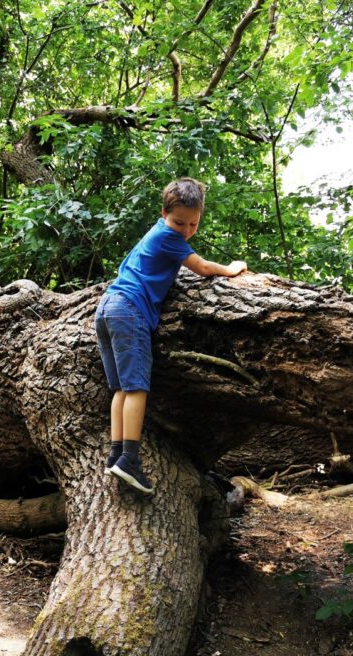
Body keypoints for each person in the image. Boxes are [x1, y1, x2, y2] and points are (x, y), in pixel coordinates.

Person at [95, 178, 247, 494]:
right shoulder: (168, 236)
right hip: (129, 311)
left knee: (121, 389)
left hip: (107, 308)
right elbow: (202, 267)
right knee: (136, 388)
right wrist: (231, 269)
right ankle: (130, 460)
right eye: (179, 222)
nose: (186, 230)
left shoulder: (157, 234)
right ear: (164, 213)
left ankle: (115, 455)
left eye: (193, 223)